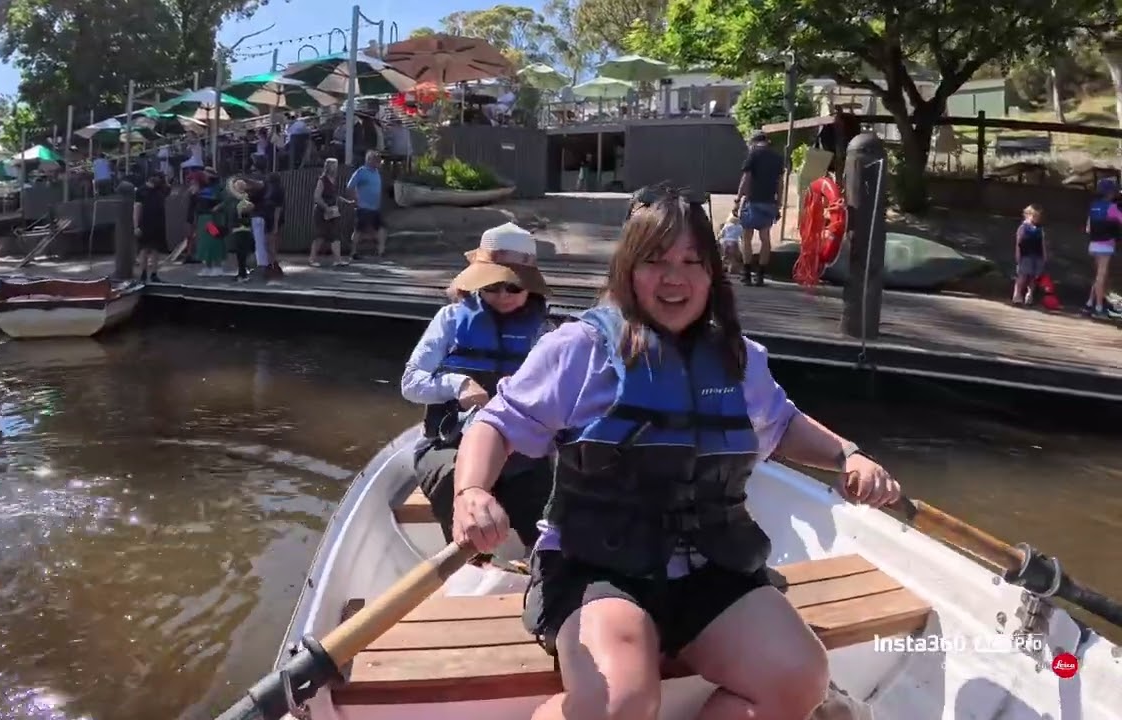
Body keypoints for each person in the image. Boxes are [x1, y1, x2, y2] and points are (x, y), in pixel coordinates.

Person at [449, 187, 903, 720]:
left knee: (799, 676)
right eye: (656, 260)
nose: (675, 278)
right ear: (627, 268)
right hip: (597, 566)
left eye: (693, 261)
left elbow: (781, 425)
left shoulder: (739, 358)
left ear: (713, 273)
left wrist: (848, 454)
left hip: (713, 565)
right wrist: (472, 491)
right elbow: (496, 426)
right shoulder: (577, 350)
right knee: (621, 699)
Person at [401, 222, 556, 555]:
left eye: (513, 287)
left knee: (544, 500)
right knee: (451, 480)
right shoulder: (450, 319)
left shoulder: (545, 331)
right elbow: (411, 383)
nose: (502, 296)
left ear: (530, 287)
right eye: (491, 286)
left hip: (521, 451)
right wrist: (458, 384)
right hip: (448, 443)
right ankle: (469, 562)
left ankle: (538, 565)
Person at [736, 129, 785, 286]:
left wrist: (738, 198)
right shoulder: (777, 158)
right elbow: (780, 182)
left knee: (747, 238)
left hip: (753, 202)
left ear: (753, 142)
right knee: (765, 238)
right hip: (769, 203)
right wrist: (779, 202)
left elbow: (746, 178)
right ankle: (761, 275)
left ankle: (746, 274)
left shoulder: (753, 155)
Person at [1085, 177, 1122, 318]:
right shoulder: (1112, 207)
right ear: (1110, 193)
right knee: (1101, 277)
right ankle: (1099, 308)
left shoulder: (1093, 206)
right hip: (1106, 246)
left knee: (1098, 276)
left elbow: (1088, 228)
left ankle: (1090, 303)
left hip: (1093, 244)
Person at [347, 150, 386, 261]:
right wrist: (355, 199)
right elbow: (350, 186)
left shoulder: (376, 172)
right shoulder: (361, 171)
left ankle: (381, 251)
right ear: (369, 160)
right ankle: (353, 252)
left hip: (375, 207)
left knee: (381, 228)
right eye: (375, 160)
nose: (378, 162)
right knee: (359, 230)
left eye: (378, 160)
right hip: (363, 206)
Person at [310, 158, 348, 267]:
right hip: (322, 211)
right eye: (333, 165)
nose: (336, 168)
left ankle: (338, 260)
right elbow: (317, 197)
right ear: (328, 167)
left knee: (335, 235)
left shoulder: (334, 179)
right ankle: (312, 259)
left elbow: (334, 195)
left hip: (333, 211)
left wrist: (345, 201)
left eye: (336, 165)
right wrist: (326, 207)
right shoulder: (322, 180)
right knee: (320, 236)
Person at [133, 171, 169, 283]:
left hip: (158, 223)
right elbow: (137, 209)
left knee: (155, 249)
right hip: (145, 223)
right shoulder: (141, 191)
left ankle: (154, 274)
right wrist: (136, 226)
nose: (160, 180)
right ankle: (143, 274)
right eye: (159, 178)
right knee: (144, 249)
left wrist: (164, 182)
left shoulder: (160, 190)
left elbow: (168, 188)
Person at [188, 167, 225, 277]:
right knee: (204, 243)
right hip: (202, 218)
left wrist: (217, 208)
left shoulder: (217, 188)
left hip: (212, 218)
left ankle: (218, 266)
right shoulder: (201, 190)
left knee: (214, 242)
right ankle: (208, 266)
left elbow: (224, 201)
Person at [1012, 204, 1047, 306]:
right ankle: (1017, 295)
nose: (1036, 218)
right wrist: (1018, 254)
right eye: (1034, 216)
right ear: (1027, 215)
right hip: (1026, 254)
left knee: (1033, 277)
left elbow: (1042, 242)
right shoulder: (1023, 227)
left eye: (1038, 216)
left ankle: (1030, 295)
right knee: (1022, 275)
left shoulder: (1040, 229)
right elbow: (1018, 242)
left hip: (1037, 254)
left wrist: (1044, 255)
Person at [717, 210, 744, 276]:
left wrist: (719, 238)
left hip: (725, 242)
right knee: (733, 257)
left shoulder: (727, 226)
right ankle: (732, 269)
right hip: (734, 242)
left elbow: (721, 234)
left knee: (724, 256)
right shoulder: (740, 227)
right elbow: (741, 236)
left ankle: (720, 268)